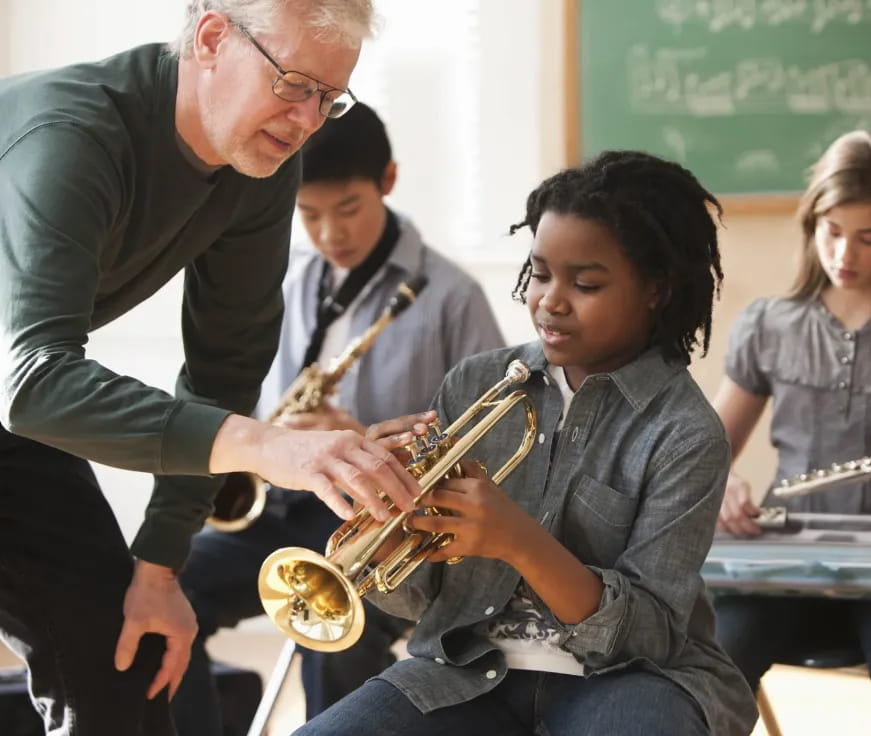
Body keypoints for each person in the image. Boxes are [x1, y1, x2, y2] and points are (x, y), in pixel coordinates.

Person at [0, 2, 428, 734]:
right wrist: (270, 446)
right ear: (211, 39)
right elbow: (33, 384)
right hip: (19, 391)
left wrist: (161, 567)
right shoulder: (72, 134)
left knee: (125, 661)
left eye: (330, 98)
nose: (305, 121)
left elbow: (225, 367)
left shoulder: (260, 162)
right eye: (294, 83)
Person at [296, 150, 759, 736]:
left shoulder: (686, 432)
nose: (550, 300)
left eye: (585, 282)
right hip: (462, 672)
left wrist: (519, 542)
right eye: (540, 273)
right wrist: (386, 510)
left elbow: (648, 637)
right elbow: (420, 599)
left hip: (630, 680)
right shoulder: (473, 382)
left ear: (656, 291)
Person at [171, 102, 505, 735]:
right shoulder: (292, 280)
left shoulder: (451, 296)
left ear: (388, 180)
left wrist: (361, 440)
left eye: (347, 208)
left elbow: (493, 442)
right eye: (309, 214)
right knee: (167, 590)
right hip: (287, 514)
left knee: (337, 637)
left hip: (390, 533)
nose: (330, 234)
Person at [712, 130, 871, 736]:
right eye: (831, 232)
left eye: (870, 238)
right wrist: (721, 483)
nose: (844, 254)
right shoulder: (772, 325)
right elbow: (705, 453)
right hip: (789, 567)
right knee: (713, 664)